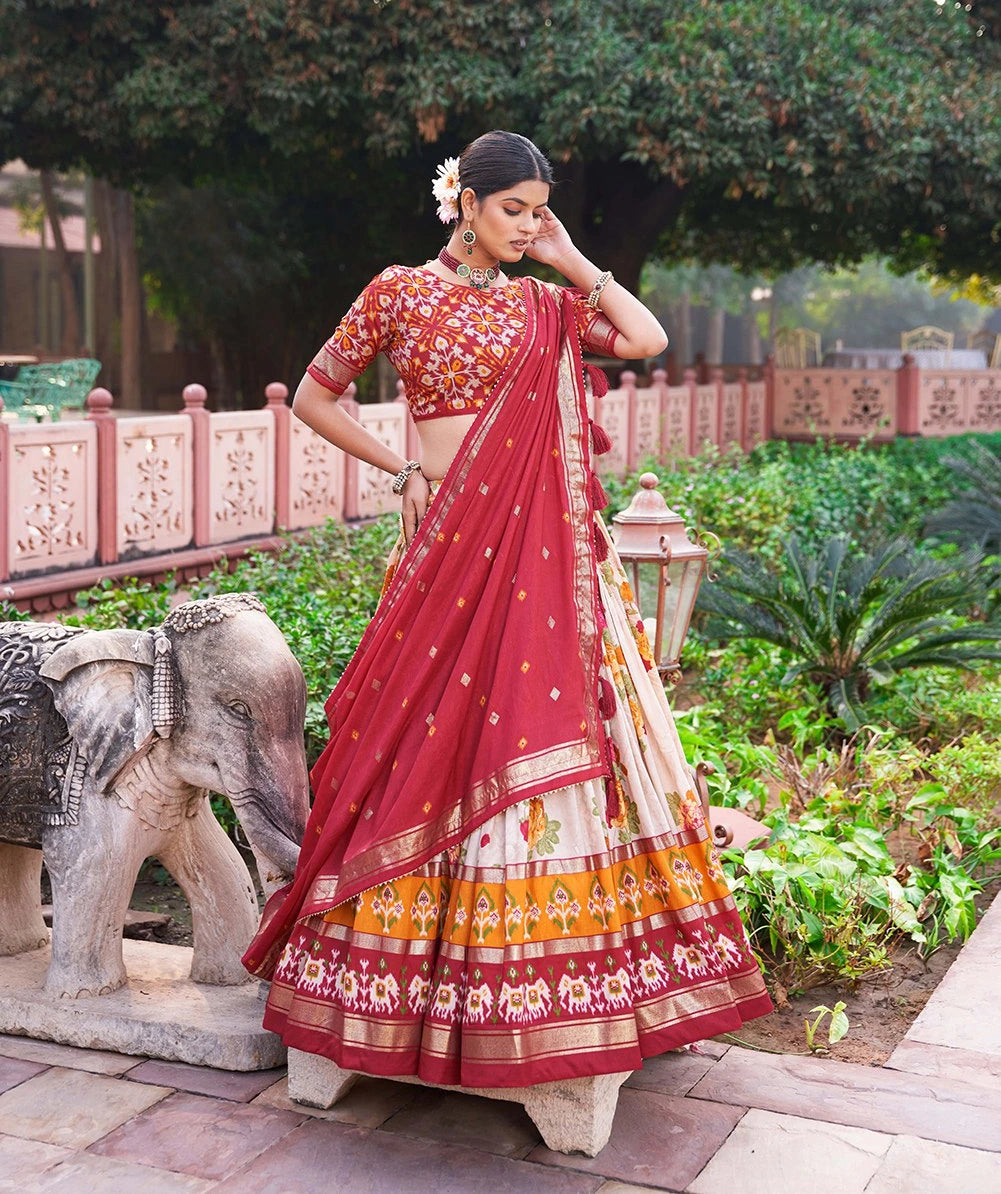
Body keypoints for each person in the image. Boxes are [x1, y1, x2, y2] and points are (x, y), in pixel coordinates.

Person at [243, 130, 771, 1087]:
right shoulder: (397, 291)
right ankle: (395, 994)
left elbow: (645, 339)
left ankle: (559, 989)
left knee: (545, 736)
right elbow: (314, 399)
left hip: (549, 557)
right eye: (513, 209)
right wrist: (399, 466)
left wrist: (571, 260)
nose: (528, 226)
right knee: (426, 741)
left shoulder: (546, 303)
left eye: (539, 209)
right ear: (465, 203)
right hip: (447, 544)